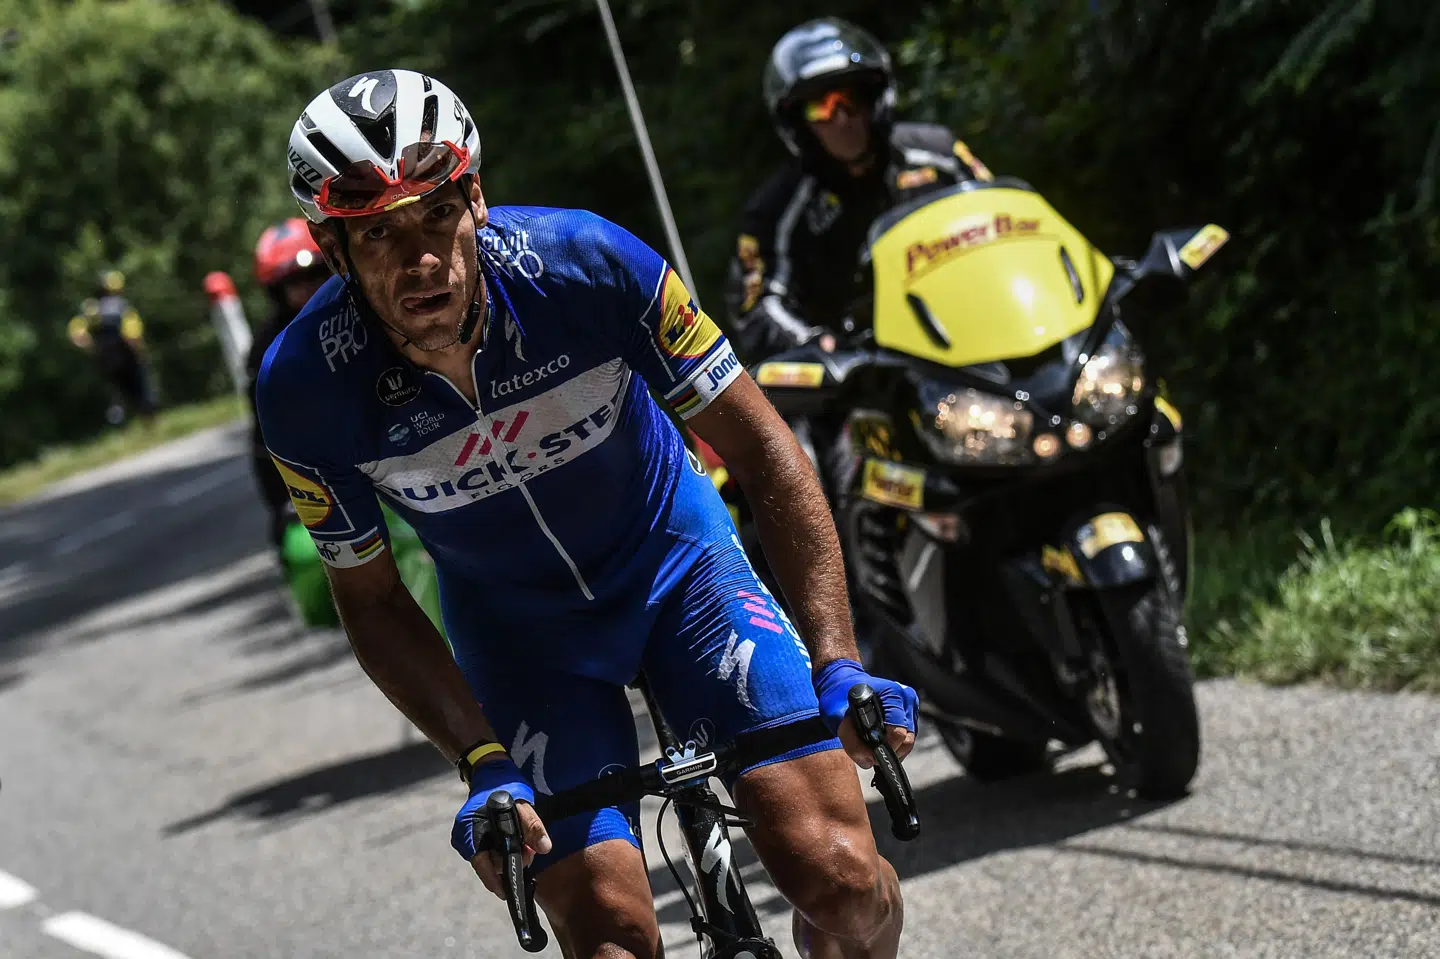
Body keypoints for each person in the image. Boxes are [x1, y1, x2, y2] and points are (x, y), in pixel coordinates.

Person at [258, 69, 919, 959]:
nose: (420, 258)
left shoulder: (590, 265)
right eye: (378, 233)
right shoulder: (305, 389)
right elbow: (370, 600)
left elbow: (764, 449)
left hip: (679, 570)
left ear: (477, 199)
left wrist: (838, 656)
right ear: (331, 250)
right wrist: (481, 761)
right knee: (609, 944)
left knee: (840, 883)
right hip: (523, 639)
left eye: (436, 215)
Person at [726, 17, 994, 362]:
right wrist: (821, 348)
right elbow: (757, 307)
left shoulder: (939, 154)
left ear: (877, 99)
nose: (841, 118)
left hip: (976, 335)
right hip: (867, 377)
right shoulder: (776, 210)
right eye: (820, 107)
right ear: (799, 124)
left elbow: (1007, 222)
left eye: (852, 98)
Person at [246, 218, 334, 551]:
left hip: (406, 462)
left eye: (317, 276)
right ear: (277, 292)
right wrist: (284, 505)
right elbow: (264, 440)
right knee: (302, 556)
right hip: (327, 480)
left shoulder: (377, 313)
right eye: (296, 282)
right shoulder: (268, 351)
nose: (310, 289)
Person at [66, 270, 159, 425]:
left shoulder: (91, 309)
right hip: (129, 357)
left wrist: (92, 347)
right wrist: (141, 351)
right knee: (143, 389)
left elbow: (75, 333)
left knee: (121, 392)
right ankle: (149, 421)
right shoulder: (122, 307)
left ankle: (122, 421)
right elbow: (132, 336)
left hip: (107, 360)